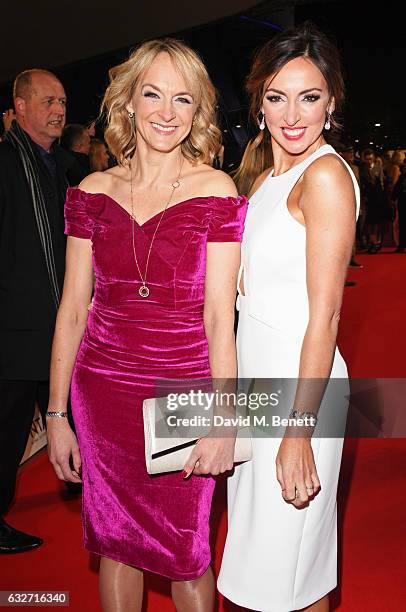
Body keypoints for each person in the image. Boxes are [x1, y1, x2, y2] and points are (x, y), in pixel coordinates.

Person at [46, 38, 247, 611]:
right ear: (127, 102)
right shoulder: (92, 193)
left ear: (198, 112)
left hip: (186, 390)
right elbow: (72, 310)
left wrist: (223, 421)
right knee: (117, 544)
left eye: (182, 100)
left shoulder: (216, 191)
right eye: (152, 94)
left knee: (187, 552)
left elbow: (218, 320)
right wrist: (58, 416)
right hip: (103, 392)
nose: (166, 112)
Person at [217, 22, 359, 612]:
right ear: (259, 105)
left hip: (302, 394)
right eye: (277, 97)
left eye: (310, 96)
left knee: (290, 574)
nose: (292, 115)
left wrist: (299, 432)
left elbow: (324, 320)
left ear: (332, 103)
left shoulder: (323, 177)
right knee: (267, 571)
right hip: (258, 386)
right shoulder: (267, 178)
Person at [0, 69, 70, 553]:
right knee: (4, 431)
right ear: (20, 107)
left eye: (63, 101)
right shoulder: (5, 162)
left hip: (55, 325)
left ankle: (86, 483)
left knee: (71, 412)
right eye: (48, 101)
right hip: (13, 331)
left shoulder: (55, 164)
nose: (59, 110)